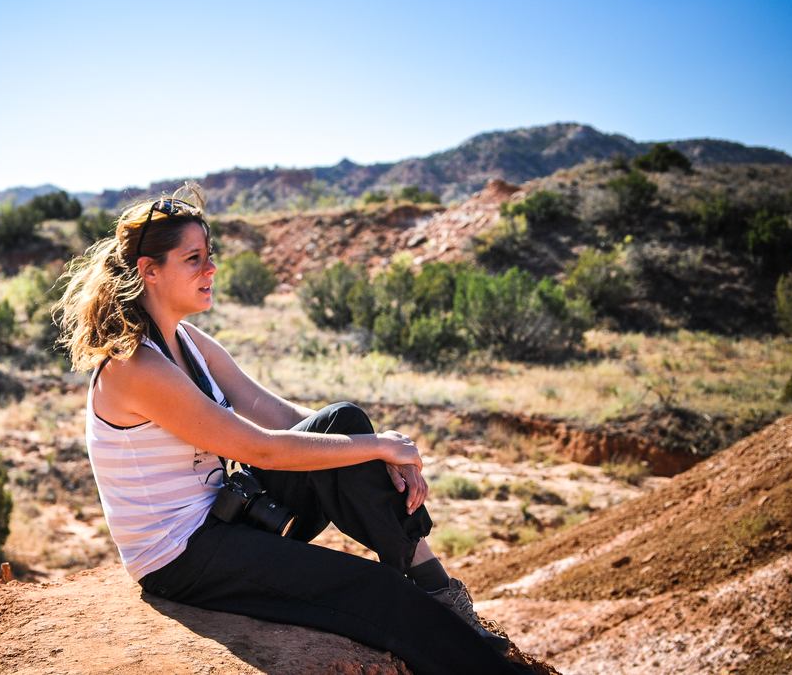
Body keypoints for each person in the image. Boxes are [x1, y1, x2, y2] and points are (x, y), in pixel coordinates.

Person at [53, 183, 522, 675]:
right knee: (378, 593)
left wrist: (375, 453)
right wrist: (381, 446)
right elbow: (263, 449)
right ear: (150, 271)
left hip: (225, 513)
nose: (211, 269)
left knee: (343, 420)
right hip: (183, 555)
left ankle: (434, 587)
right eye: (193, 259)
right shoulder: (135, 365)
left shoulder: (188, 340)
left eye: (209, 256)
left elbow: (277, 414)